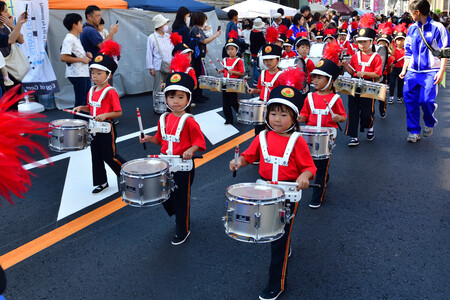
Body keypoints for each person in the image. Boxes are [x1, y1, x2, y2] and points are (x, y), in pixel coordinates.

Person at [229, 85, 316, 300]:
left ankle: (276, 283)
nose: (277, 119)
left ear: (294, 118)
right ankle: (284, 245)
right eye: (273, 113)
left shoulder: (297, 141)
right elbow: (248, 156)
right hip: (266, 193)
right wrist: (238, 162)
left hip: (288, 194)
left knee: (278, 240)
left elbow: (309, 167)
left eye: (283, 114)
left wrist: (304, 177)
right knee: (273, 234)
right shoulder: (262, 137)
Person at [140, 72, 206, 245]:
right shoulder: (164, 118)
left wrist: (190, 150)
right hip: (166, 166)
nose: (175, 101)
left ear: (188, 98)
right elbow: (160, 140)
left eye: (180, 97)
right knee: (164, 196)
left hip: (183, 167)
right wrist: (148, 138)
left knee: (181, 199)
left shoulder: (189, 121)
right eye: (171, 97)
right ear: (166, 99)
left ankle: (183, 230)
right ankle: (180, 216)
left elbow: (199, 142)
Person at [73, 41, 126, 194]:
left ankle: (128, 175)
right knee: (96, 156)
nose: (94, 76)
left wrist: (105, 115)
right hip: (93, 129)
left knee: (110, 156)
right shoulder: (92, 90)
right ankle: (101, 182)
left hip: (107, 128)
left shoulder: (111, 92)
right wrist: (82, 108)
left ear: (108, 75)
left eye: (98, 73)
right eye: (93, 73)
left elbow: (118, 112)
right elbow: (92, 107)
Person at [299, 43, 347, 208]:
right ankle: (323, 177)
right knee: (310, 163)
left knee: (321, 164)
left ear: (330, 81)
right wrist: (295, 118)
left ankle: (317, 197)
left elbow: (343, 117)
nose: (315, 80)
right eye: (314, 77)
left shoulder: (335, 99)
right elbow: (304, 115)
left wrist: (337, 117)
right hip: (310, 135)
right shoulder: (309, 97)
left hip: (327, 137)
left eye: (319, 77)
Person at [399, 0, 449, 143]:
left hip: (431, 71)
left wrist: (441, 71)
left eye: (411, 12)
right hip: (412, 72)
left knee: (426, 101)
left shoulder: (438, 27)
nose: (410, 15)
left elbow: (445, 52)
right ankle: (414, 131)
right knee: (410, 102)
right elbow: (408, 51)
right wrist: (404, 69)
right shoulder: (412, 28)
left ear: (417, 12)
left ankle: (430, 122)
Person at [341, 14, 382, 146]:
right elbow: (353, 72)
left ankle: (370, 126)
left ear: (371, 41)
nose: (362, 44)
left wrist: (364, 73)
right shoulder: (354, 56)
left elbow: (378, 74)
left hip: (369, 86)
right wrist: (345, 66)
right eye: (359, 42)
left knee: (366, 112)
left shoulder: (376, 57)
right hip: (354, 86)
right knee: (352, 111)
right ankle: (353, 136)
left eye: (365, 41)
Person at [247, 40, 284, 135]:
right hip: (262, 106)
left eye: (271, 59)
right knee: (258, 130)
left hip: (274, 107)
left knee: (272, 130)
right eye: (265, 60)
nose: (268, 62)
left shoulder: (282, 75)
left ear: (278, 59)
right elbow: (261, 89)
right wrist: (254, 90)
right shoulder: (263, 73)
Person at [60, 13, 92, 109]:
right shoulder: (69, 39)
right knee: (81, 101)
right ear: (74, 25)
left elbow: (76, 55)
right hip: (77, 74)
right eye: (80, 23)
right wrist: (82, 59)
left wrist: (86, 56)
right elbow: (63, 57)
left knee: (86, 99)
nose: (82, 25)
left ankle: (86, 122)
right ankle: (79, 123)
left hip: (83, 73)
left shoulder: (75, 38)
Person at [190, 12, 221, 103]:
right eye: (204, 20)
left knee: (199, 75)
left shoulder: (197, 29)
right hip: (196, 57)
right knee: (197, 75)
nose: (205, 21)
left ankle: (199, 94)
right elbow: (204, 41)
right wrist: (216, 35)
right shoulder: (196, 30)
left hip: (198, 56)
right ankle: (197, 96)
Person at [218, 34, 244, 124]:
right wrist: (221, 71)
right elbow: (225, 71)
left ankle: (241, 115)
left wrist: (233, 72)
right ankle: (228, 119)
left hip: (234, 84)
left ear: (237, 50)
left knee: (233, 102)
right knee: (225, 103)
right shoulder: (225, 59)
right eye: (228, 49)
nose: (230, 51)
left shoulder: (239, 60)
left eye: (232, 49)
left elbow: (242, 73)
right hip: (225, 83)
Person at [0, 2, 25, 91]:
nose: (8, 14)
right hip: (3, 68)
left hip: (13, 67)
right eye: (5, 12)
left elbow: (21, 40)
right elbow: (11, 39)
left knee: (15, 96)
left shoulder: (7, 26)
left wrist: (13, 26)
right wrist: (19, 24)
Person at [146, 14, 173, 95]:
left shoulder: (168, 36)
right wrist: (151, 67)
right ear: (159, 26)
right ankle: (157, 106)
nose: (166, 26)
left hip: (169, 65)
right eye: (165, 24)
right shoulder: (152, 37)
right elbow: (149, 53)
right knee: (158, 88)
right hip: (158, 67)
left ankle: (167, 106)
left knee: (169, 86)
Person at [389, 24, 407, 104]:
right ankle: (391, 96)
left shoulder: (406, 50)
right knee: (392, 83)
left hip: (402, 69)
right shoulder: (393, 50)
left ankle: (400, 96)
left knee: (400, 84)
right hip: (394, 69)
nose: (400, 41)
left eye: (401, 40)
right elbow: (391, 58)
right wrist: (391, 64)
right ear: (395, 41)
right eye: (398, 40)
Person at [250, 18, 266, 85]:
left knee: (254, 66)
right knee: (258, 66)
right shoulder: (260, 34)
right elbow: (263, 43)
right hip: (258, 52)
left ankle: (255, 79)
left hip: (252, 51)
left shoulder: (252, 32)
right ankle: (257, 80)